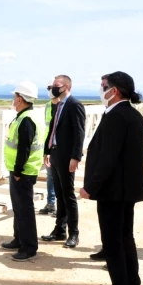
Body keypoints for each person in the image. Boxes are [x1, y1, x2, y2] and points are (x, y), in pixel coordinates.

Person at [81, 71, 143, 285]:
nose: (101, 90)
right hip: (126, 191)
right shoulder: (133, 115)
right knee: (125, 237)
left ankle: (121, 283)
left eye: (103, 86)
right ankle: (131, 282)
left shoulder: (117, 116)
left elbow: (107, 158)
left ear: (115, 90)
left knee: (112, 243)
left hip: (112, 191)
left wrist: (90, 187)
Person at [0, 81, 45, 261]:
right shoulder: (29, 115)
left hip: (24, 171)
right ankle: (19, 239)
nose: (13, 100)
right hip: (23, 170)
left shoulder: (27, 119)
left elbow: (24, 148)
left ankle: (29, 248)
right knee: (18, 208)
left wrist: (18, 170)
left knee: (24, 210)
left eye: (14, 97)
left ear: (20, 98)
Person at [41, 75, 86, 248]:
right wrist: (47, 150)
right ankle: (60, 229)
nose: (52, 87)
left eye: (56, 85)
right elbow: (53, 129)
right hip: (55, 154)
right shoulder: (57, 105)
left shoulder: (74, 105)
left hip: (67, 157)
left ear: (66, 86)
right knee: (59, 194)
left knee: (68, 195)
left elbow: (79, 133)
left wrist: (76, 157)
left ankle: (74, 233)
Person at [38, 84, 60, 215]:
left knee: (60, 178)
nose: (50, 91)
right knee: (50, 176)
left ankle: (61, 205)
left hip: (60, 148)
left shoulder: (64, 106)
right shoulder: (47, 106)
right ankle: (51, 204)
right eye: (48, 88)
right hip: (49, 147)